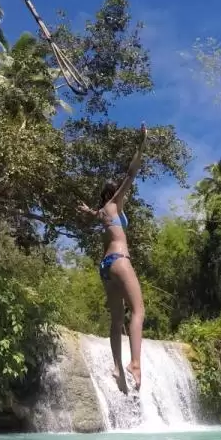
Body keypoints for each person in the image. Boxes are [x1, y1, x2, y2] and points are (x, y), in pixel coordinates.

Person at [78, 124, 147, 393]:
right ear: (114, 192)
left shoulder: (103, 212)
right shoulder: (115, 203)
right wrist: (141, 144)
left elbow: (94, 214)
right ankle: (136, 364)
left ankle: (117, 368)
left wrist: (86, 209)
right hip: (119, 259)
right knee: (138, 311)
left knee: (116, 320)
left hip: (104, 268)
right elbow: (132, 172)